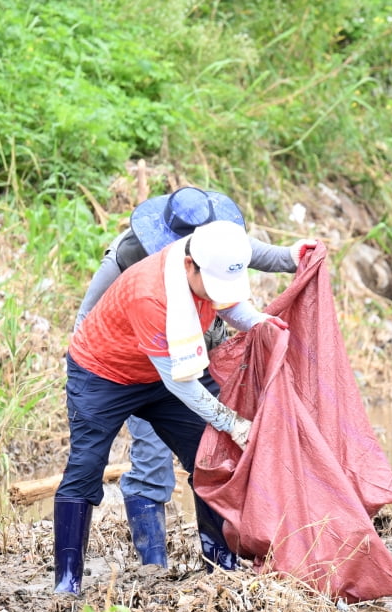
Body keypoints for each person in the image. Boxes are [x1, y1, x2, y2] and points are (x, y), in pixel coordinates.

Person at [74, 186, 315, 569]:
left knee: (211, 451)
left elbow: (254, 254)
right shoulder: (129, 256)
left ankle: (219, 559)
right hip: (146, 362)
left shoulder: (217, 244)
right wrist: (94, 383)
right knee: (152, 462)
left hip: (200, 353)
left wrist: (293, 256)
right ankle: (154, 565)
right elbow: (87, 322)